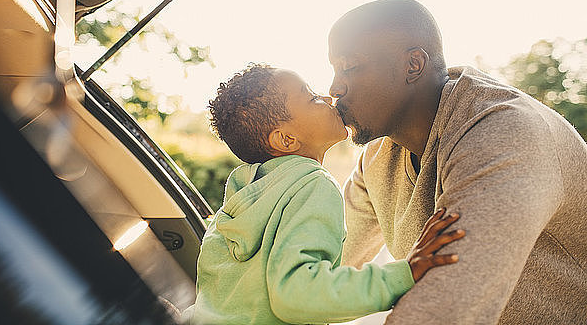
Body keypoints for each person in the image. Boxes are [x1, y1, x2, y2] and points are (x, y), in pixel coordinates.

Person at [328, 0, 587, 324]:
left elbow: (442, 311)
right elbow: (326, 265)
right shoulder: (378, 156)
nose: (335, 87)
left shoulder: (502, 132)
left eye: (349, 66)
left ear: (413, 65)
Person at [185, 64, 465, 324]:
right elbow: (296, 293)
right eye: (311, 98)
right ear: (286, 139)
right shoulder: (311, 184)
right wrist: (404, 274)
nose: (328, 97)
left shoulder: (243, 197)